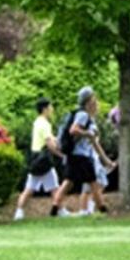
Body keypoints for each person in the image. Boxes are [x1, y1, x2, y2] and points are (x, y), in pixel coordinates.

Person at [50, 86, 111, 216]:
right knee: (93, 182)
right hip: (81, 155)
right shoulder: (83, 115)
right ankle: (102, 209)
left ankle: (54, 209)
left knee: (68, 182)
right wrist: (88, 134)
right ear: (88, 101)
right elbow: (74, 130)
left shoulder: (83, 115)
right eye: (93, 98)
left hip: (73, 155)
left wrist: (105, 159)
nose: (95, 101)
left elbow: (89, 140)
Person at [14, 98, 66, 220]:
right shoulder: (45, 124)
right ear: (44, 109)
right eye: (50, 107)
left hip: (36, 159)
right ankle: (61, 211)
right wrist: (61, 155)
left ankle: (19, 212)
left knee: (32, 188)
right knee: (52, 188)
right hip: (43, 160)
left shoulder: (38, 122)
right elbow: (49, 143)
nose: (52, 109)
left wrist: (57, 140)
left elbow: (51, 139)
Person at [79, 125, 116, 216]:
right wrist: (109, 163)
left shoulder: (83, 142)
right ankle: (88, 209)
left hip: (87, 165)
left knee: (88, 189)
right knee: (98, 186)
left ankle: (85, 210)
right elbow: (100, 152)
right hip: (94, 166)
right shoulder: (92, 139)